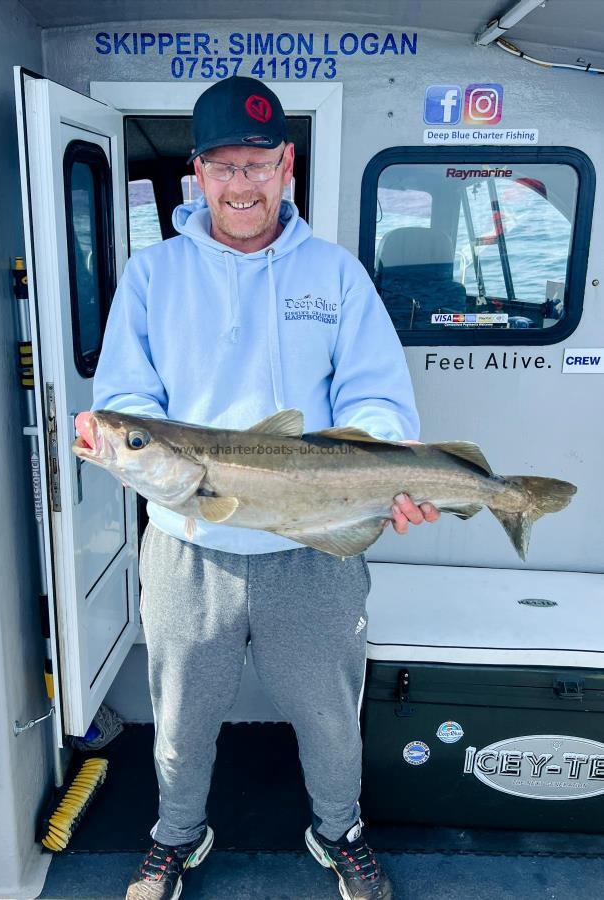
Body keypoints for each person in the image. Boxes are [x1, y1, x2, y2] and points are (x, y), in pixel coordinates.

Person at [90, 75, 439, 900]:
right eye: (222, 167)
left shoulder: (336, 274)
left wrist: (390, 473)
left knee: (327, 715)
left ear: (286, 167)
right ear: (197, 175)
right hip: (189, 543)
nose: (240, 185)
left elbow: (374, 399)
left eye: (257, 165)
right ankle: (175, 837)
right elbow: (129, 401)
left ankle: (338, 831)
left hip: (312, 543)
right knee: (179, 718)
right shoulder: (152, 276)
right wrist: (124, 439)